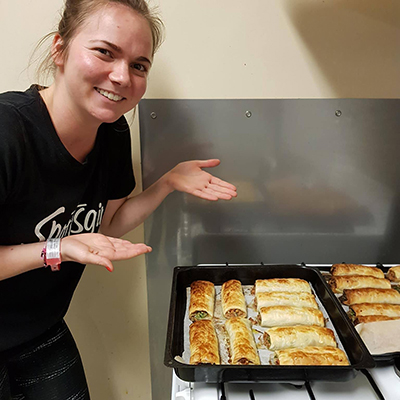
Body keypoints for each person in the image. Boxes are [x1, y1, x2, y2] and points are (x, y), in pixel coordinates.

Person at [0, 0, 237, 398]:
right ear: (59, 49)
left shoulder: (111, 135)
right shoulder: (9, 131)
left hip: (38, 325)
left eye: (139, 65)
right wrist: (58, 248)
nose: (122, 76)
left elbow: (106, 223)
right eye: (105, 52)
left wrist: (167, 183)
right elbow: (67, 244)